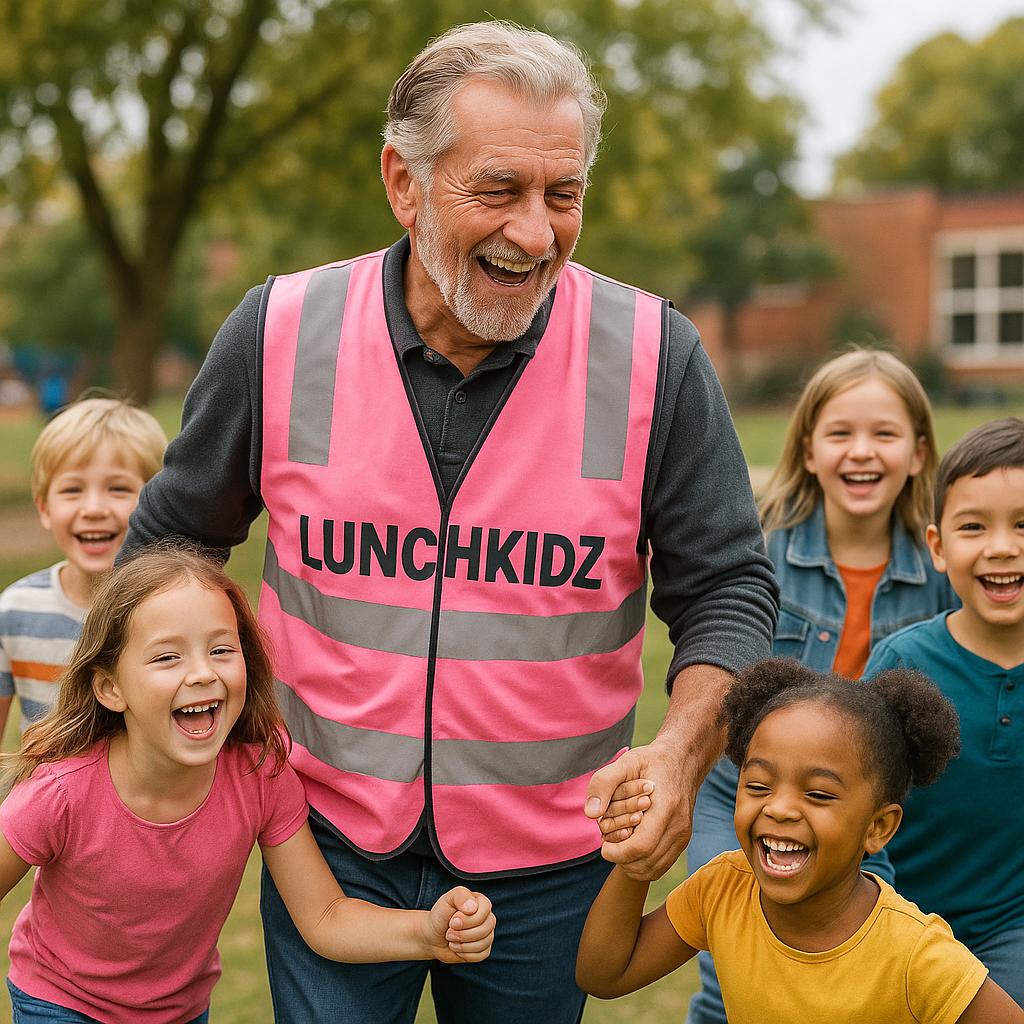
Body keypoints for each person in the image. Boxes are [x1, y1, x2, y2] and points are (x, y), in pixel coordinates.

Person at [122, 20, 777, 1022]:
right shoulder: (279, 330)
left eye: (563, 197)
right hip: (324, 840)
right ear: (403, 181)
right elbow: (171, 542)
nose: (535, 232)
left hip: (556, 862)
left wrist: (684, 749)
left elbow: (727, 584)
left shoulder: (656, 353)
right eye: (499, 190)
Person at [0, 548, 494, 1024]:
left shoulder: (258, 775)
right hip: (62, 1004)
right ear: (110, 687)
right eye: (167, 657)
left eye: (221, 649)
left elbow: (325, 916)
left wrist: (427, 933)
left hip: (181, 1010)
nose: (201, 672)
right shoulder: (60, 793)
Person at [683, 348, 955, 1023]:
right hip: (743, 796)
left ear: (919, 453)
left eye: (884, 434)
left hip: (866, 808)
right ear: (807, 449)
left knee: (868, 980)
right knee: (738, 961)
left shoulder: (943, 570)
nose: (861, 451)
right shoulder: (762, 553)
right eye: (840, 433)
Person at [576, 658, 1024, 1022]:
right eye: (758, 785)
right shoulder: (723, 889)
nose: (780, 808)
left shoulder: (918, 957)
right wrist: (637, 866)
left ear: (878, 828)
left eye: (818, 794)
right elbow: (605, 974)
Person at [863, 417, 1024, 1006]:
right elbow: (859, 796)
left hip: (1012, 930)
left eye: (1023, 525)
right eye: (974, 526)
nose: (1002, 546)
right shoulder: (904, 662)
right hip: (897, 918)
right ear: (937, 546)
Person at [0, 397, 167, 737]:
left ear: (155, 502)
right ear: (44, 507)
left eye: (118, 488)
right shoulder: (16, 611)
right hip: (44, 790)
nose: (93, 508)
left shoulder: (171, 610)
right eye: (73, 490)